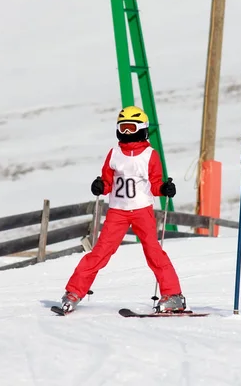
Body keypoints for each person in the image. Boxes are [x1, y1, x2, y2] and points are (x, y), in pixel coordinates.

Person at [60, 106, 186, 313]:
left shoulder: (149, 155)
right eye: (122, 128)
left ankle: (173, 295)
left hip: (141, 211)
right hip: (116, 212)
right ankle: (74, 292)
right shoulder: (114, 153)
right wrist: (101, 185)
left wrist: (164, 188)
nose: (126, 132)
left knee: (153, 252)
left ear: (142, 128)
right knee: (99, 253)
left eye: (130, 128)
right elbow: (108, 181)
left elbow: (155, 185)